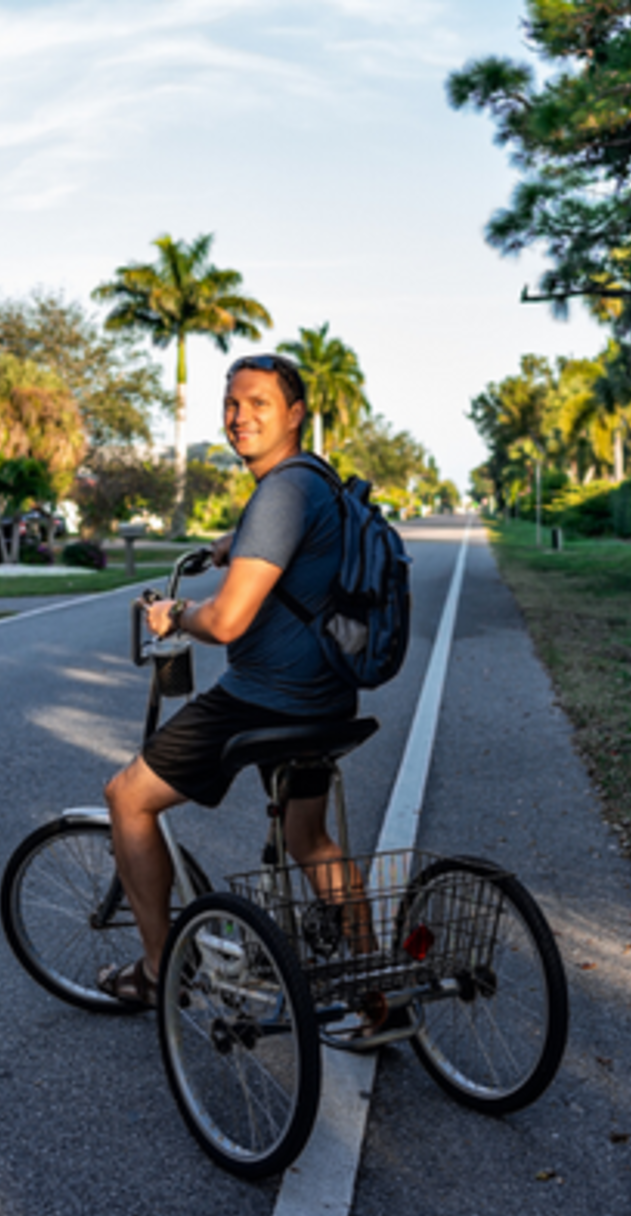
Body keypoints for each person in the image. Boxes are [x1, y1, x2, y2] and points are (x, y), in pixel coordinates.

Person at [97, 353, 362, 1008]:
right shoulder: (315, 480)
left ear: (294, 414)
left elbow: (227, 620)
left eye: (258, 404)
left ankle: (158, 973)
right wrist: (235, 539)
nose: (240, 416)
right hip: (327, 696)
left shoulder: (279, 493)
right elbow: (288, 543)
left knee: (127, 798)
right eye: (232, 404)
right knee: (308, 839)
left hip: (266, 699)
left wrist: (176, 614)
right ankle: (371, 986)